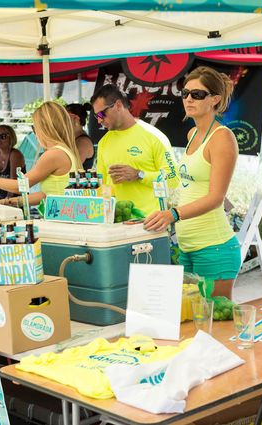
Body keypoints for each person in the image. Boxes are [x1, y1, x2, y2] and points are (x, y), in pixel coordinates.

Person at [144, 66, 240, 298]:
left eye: (197, 94)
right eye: (185, 93)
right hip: (187, 247)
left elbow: (216, 198)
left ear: (214, 100)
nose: (188, 99)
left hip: (214, 248)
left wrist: (173, 214)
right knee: (190, 322)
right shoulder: (192, 135)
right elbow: (191, 188)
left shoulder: (222, 138)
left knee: (216, 323)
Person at [0, 101, 81, 207]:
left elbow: (21, 186)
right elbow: (46, 195)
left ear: (44, 128)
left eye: (34, 127)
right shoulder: (64, 151)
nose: (35, 133)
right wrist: (9, 202)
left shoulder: (54, 154)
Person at [91, 84, 179, 216]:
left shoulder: (154, 136)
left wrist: (139, 175)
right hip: (115, 222)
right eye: (95, 116)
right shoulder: (104, 142)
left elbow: (174, 179)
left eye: (102, 114)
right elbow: (102, 184)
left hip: (149, 223)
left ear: (118, 105)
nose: (99, 120)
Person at [0, 124, 25, 199]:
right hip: (1, 197)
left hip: (17, 199)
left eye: (3, 136)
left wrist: (7, 200)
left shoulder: (15, 155)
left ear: (11, 138)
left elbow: (14, 183)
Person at [65, 103, 95, 169]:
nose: (62, 120)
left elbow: (71, 167)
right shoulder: (73, 138)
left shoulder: (83, 142)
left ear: (76, 118)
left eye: (65, 117)